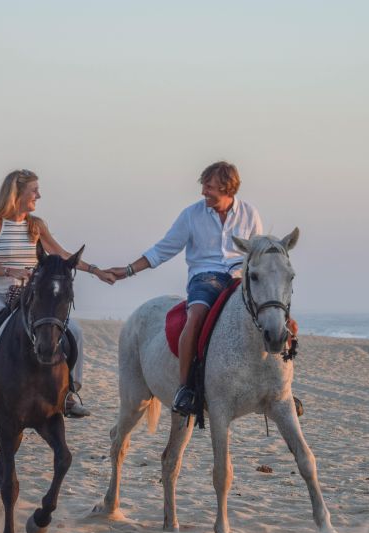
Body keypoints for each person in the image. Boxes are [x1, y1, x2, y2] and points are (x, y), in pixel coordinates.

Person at [0, 169, 115, 415]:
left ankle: (70, 392)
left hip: (32, 297)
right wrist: (12, 272)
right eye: (34, 190)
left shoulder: (36, 225)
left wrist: (96, 270)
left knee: (75, 331)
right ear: (17, 194)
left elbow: (63, 255)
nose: (39, 195)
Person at [107, 161, 263, 416]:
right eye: (204, 185)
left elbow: (257, 254)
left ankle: (278, 386)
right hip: (205, 276)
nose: (203, 191)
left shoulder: (250, 214)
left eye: (209, 186)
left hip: (238, 276)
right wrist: (128, 270)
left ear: (227, 188)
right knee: (196, 315)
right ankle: (185, 388)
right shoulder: (191, 215)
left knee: (271, 311)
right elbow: (162, 249)